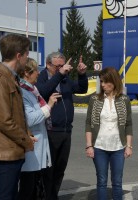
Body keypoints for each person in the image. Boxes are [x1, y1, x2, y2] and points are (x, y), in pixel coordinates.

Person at [0, 34, 36, 200]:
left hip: (12, 150)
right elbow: (5, 122)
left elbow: (17, 114)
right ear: (18, 56)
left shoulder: (9, 78)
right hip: (5, 153)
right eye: (27, 54)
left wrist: (27, 133)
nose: (28, 59)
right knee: (5, 197)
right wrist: (26, 140)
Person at [35, 52, 88, 200]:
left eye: (63, 66)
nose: (61, 69)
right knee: (47, 169)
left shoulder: (65, 79)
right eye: (57, 66)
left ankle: (53, 195)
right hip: (49, 131)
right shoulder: (42, 77)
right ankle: (45, 196)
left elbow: (81, 89)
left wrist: (82, 74)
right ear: (48, 64)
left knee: (60, 169)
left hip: (66, 130)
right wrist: (60, 75)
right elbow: (43, 92)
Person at [85, 67, 133, 200]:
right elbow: (88, 123)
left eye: (106, 82)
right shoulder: (95, 99)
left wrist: (129, 146)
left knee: (117, 182)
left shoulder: (124, 100)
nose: (103, 85)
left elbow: (128, 124)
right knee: (101, 181)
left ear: (114, 81)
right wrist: (89, 146)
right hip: (99, 146)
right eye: (101, 82)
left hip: (118, 147)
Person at [17, 58, 61, 200]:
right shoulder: (23, 92)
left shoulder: (33, 90)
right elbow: (29, 119)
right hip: (31, 148)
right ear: (26, 73)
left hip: (38, 147)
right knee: (27, 189)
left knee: (36, 188)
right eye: (35, 70)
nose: (38, 73)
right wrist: (48, 106)